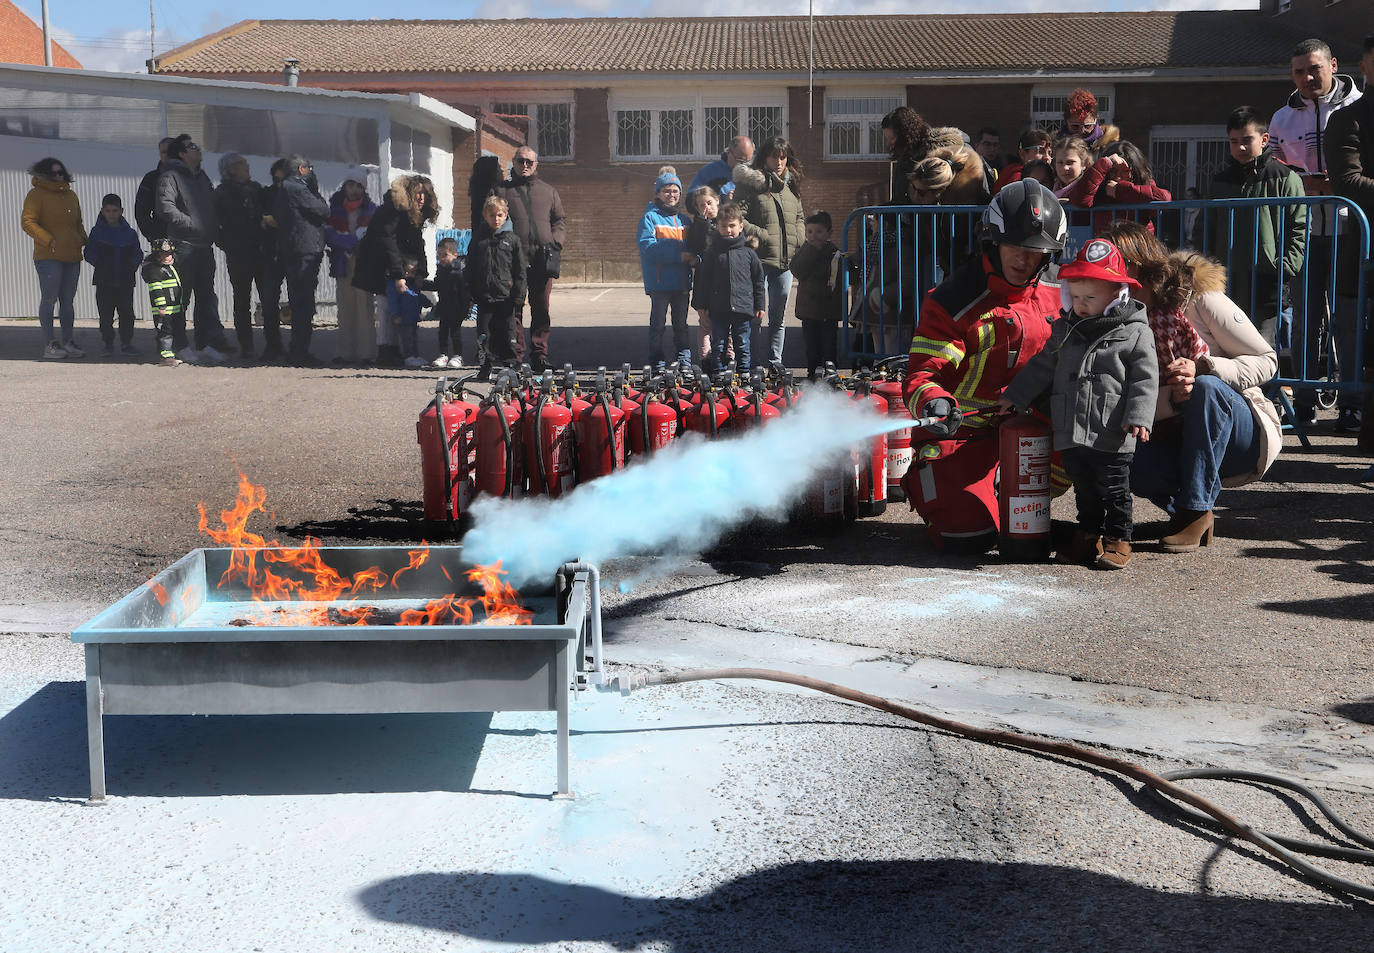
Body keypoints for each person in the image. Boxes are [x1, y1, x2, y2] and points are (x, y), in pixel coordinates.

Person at [901, 179, 1068, 553]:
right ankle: (930, 480)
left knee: (1087, 456)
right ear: (993, 241)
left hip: (1035, 431)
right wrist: (934, 404)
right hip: (964, 435)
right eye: (1015, 247)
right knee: (966, 536)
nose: (1024, 260)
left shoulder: (1062, 292)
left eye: (1036, 251)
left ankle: (1014, 496)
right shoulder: (954, 299)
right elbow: (922, 375)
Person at [1105, 221, 1282, 554]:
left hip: (1242, 434)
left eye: (1115, 260)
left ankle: (1195, 509)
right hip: (1174, 433)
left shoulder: (1199, 297)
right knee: (1121, 454)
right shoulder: (1113, 312)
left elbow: (1267, 360)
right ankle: (1189, 509)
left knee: (1204, 388)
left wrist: (1205, 367)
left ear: (1137, 262)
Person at [998, 239, 1158, 570]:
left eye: (1090, 299)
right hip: (1071, 428)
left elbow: (1145, 379)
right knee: (1084, 489)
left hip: (1112, 430)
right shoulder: (1065, 329)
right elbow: (1044, 365)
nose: (1081, 305)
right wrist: (1016, 395)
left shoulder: (1134, 332)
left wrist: (1139, 417)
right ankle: (1088, 534)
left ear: (1117, 295)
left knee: (1114, 490)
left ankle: (1118, 539)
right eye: (1077, 297)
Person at [1271, 37, 1363, 429]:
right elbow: (1272, 169)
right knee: (1304, 317)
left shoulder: (1358, 108)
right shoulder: (1281, 118)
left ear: (1333, 65)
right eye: (1299, 71)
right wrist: (1301, 184)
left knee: (1349, 318)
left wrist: (1340, 185)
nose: (1307, 77)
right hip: (1304, 230)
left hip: (1351, 228)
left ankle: (1352, 404)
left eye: (1314, 68)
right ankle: (1304, 401)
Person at [1207, 106, 1308, 349]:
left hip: (1269, 278)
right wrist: (1207, 265)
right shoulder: (1220, 181)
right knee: (1230, 346)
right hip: (1227, 277)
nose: (1240, 147)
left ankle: (1272, 387)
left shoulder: (1285, 177)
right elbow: (1208, 225)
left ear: (1264, 140)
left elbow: (1299, 226)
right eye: (1233, 141)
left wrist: (1285, 266)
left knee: (1264, 346)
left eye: (1246, 140)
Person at [1325, 32, 1374, 434]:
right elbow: (1346, 181)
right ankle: (1355, 409)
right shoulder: (1348, 118)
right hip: (1366, 244)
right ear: (1365, 65)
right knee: (1358, 330)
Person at [351, 174, 441, 367]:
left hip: (397, 263)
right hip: (379, 263)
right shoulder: (393, 209)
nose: (421, 197)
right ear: (409, 193)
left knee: (394, 307)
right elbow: (388, 242)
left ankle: (394, 350)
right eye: (418, 193)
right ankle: (385, 350)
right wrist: (398, 273)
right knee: (385, 307)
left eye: (425, 194)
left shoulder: (415, 212)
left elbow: (417, 242)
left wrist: (421, 271)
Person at [156, 137, 231, 364]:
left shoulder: (202, 177)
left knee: (206, 298)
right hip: (183, 246)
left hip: (204, 248)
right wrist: (193, 224)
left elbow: (212, 206)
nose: (198, 150)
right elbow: (165, 207)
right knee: (181, 299)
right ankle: (180, 346)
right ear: (181, 153)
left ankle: (205, 344)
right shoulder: (170, 176)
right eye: (193, 148)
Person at [733, 136, 806, 369]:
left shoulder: (790, 186)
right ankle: (752, 363)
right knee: (756, 316)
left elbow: (800, 217)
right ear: (764, 157)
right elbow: (738, 218)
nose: (779, 161)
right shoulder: (751, 185)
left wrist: (798, 239)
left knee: (778, 318)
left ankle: (775, 362)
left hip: (785, 264)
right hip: (758, 261)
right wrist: (764, 236)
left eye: (783, 157)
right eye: (774, 156)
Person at [494, 146, 566, 372]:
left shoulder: (548, 191)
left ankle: (539, 356)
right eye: (520, 161)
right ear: (513, 162)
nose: (524, 165)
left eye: (529, 162)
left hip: (542, 260)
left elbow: (560, 220)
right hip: (512, 261)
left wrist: (556, 242)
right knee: (513, 309)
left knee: (541, 309)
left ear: (536, 165)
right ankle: (515, 356)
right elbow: (490, 219)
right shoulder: (501, 191)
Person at [22, 157, 86, 360]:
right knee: (49, 299)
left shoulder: (71, 195)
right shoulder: (36, 195)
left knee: (68, 301)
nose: (58, 176)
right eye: (54, 173)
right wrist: (48, 240)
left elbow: (78, 223)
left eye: (61, 173)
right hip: (48, 257)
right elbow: (27, 222)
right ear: (43, 175)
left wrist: (83, 240)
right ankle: (50, 344)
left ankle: (68, 342)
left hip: (72, 256)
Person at [692, 201, 765, 374]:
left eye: (732, 226)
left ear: (740, 226)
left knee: (742, 343)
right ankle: (718, 373)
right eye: (724, 226)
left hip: (743, 308)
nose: (728, 230)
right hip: (718, 308)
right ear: (718, 227)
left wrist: (760, 304)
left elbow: (758, 281)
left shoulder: (749, 254)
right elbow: (702, 281)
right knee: (719, 343)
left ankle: (744, 373)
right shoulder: (712, 253)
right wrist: (700, 304)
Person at [214, 153, 272, 361]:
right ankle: (246, 346)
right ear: (230, 170)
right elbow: (215, 226)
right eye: (241, 163)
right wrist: (229, 244)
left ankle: (273, 345)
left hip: (260, 252)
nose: (246, 165)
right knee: (242, 302)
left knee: (269, 299)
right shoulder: (221, 193)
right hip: (239, 256)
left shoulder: (256, 189)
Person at [273, 154, 330, 365]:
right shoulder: (296, 188)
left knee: (299, 300)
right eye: (309, 168)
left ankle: (297, 349)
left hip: (292, 248)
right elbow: (323, 210)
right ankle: (299, 351)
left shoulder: (284, 188)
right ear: (301, 170)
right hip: (304, 249)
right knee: (303, 302)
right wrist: (315, 190)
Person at [465, 195, 527, 380]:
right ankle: (485, 365)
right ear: (485, 216)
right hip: (484, 296)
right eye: (492, 215)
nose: (496, 219)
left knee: (508, 332)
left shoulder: (512, 240)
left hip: (506, 297)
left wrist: (519, 295)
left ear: (505, 215)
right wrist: (468, 291)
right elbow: (470, 266)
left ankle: (511, 364)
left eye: (500, 215)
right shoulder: (479, 240)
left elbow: (520, 270)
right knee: (484, 334)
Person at [638, 167, 694, 369]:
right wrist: (679, 257)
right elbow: (648, 247)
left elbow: (694, 247)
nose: (671, 195)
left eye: (675, 191)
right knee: (658, 326)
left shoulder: (684, 220)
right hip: (660, 284)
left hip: (681, 284)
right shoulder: (650, 218)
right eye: (667, 191)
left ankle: (684, 361)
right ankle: (657, 362)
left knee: (681, 327)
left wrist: (695, 257)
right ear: (658, 193)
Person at [1058, 140, 1172, 236]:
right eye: (1113, 171)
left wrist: (1119, 190)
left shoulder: (1143, 183)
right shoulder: (1099, 188)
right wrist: (1105, 163)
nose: (1118, 176)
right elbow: (1080, 200)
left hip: (1137, 251)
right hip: (1105, 251)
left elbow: (1164, 198)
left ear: (1135, 172)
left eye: (1125, 171)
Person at [325, 166, 377, 365]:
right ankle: (344, 352)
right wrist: (346, 243)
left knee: (364, 307)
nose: (354, 189)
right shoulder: (334, 208)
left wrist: (353, 243)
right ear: (345, 186)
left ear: (363, 189)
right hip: (341, 261)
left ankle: (366, 353)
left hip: (362, 262)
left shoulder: (370, 210)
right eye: (350, 185)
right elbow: (328, 233)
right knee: (344, 307)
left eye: (358, 186)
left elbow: (370, 235)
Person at [83, 193, 142, 358]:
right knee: (106, 314)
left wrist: (131, 267)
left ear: (121, 211)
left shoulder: (130, 233)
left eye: (115, 210)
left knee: (127, 313)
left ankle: (126, 343)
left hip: (125, 281)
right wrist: (101, 265)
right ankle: (108, 344)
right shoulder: (96, 232)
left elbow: (137, 254)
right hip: (104, 281)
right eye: (108, 210)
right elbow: (89, 253)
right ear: (102, 211)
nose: (111, 214)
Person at [790, 210, 844, 378]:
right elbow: (798, 270)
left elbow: (841, 276)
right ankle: (812, 373)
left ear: (829, 233)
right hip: (809, 310)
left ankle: (831, 375)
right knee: (811, 346)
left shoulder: (834, 253)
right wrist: (811, 251)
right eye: (810, 232)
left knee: (829, 346)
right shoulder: (805, 251)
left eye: (819, 232)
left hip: (829, 309)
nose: (814, 236)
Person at [255, 158, 290, 362]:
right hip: (269, 253)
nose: (280, 182)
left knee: (300, 301)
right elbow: (257, 215)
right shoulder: (266, 194)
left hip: (291, 252)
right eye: (277, 179)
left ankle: (298, 347)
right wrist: (264, 221)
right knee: (269, 302)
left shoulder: (297, 193)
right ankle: (272, 345)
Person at [141, 237, 186, 366]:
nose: (167, 257)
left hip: (176, 309)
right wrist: (161, 306)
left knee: (176, 331)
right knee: (165, 333)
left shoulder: (172, 267)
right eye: (163, 254)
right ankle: (166, 357)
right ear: (156, 255)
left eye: (169, 254)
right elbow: (156, 289)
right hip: (164, 310)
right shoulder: (154, 270)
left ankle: (174, 353)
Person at [427, 237, 469, 368]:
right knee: (442, 331)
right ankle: (443, 354)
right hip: (444, 306)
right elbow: (437, 285)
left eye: (445, 255)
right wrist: (422, 284)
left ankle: (458, 355)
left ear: (455, 255)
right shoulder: (441, 270)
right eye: (439, 255)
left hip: (457, 307)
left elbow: (465, 292)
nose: (441, 258)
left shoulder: (460, 272)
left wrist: (465, 307)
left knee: (455, 332)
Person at [386, 258, 434, 370]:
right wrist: (395, 314)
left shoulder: (413, 284)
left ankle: (415, 355)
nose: (409, 274)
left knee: (414, 337)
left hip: (413, 317)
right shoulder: (396, 284)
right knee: (406, 338)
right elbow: (393, 301)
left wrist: (428, 303)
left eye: (412, 272)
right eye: (406, 271)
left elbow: (417, 296)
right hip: (403, 317)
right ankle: (408, 356)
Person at [881, 107, 931, 204]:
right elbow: (899, 200)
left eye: (892, 138)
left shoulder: (931, 157)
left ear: (906, 135)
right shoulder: (904, 159)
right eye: (887, 138)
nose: (889, 143)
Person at [134, 136, 177, 241]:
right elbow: (141, 212)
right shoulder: (151, 179)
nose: (167, 155)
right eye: (163, 152)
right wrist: (154, 236)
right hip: (164, 243)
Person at [687, 135, 754, 199]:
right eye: (740, 160)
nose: (744, 165)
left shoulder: (755, 173)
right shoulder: (709, 171)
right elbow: (691, 200)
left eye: (748, 161)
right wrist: (719, 201)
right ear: (729, 152)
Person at [1057, 89, 1120, 155]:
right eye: (1075, 126)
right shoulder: (1055, 146)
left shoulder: (1111, 148)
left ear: (1096, 120)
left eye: (1087, 126)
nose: (1081, 131)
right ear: (1066, 122)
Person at [994, 130, 1053, 195]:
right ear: (1023, 154)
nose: (1047, 157)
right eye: (1041, 152)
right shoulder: (1017, 179)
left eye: (1050, 153)